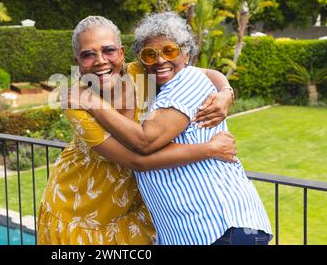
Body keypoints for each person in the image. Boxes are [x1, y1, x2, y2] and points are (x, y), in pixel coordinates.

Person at [37, 15, 236, 245]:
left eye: (108, 50)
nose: (100, 60)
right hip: (79, 216)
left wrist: (225, 93)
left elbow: (205, 74)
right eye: (88, 54)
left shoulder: (142, 71)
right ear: (78, 62)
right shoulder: (76, 100)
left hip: (127, 215)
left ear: (121, 53)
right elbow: (136, 160)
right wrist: (210, 149)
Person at [77, 12, 273, 245]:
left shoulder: (186, 82)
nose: (160, 60)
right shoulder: (156, 83)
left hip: (219, 225)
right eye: (150, 54)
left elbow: (145, 141)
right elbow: (211, 75)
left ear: (187, 54)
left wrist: (91, 102)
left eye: (169, 51)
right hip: (192, 230)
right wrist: (226, 91)